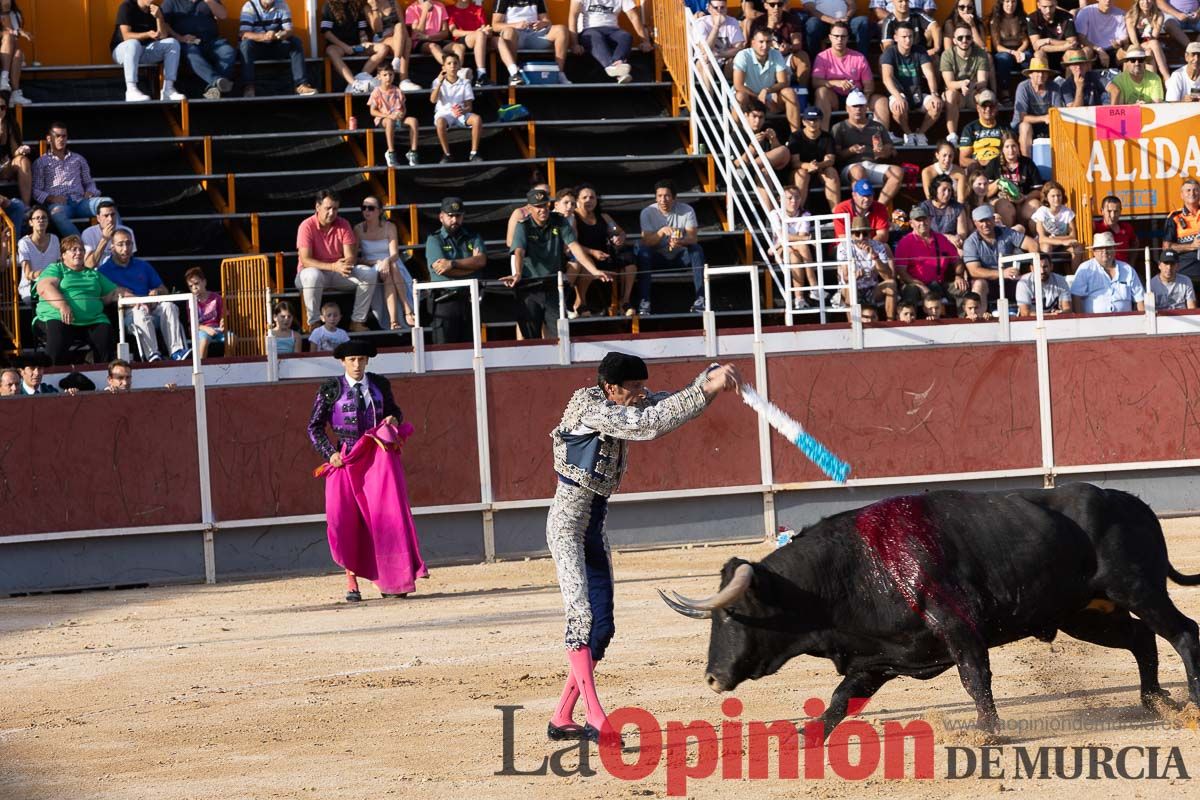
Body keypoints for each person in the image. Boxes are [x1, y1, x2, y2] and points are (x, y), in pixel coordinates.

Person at [544, 353, 741, 742]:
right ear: (611, 388)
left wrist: (709, 379)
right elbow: (650, 424)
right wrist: (707, 385)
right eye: (633, 387)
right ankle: (596, 716)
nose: (641, 393)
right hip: (567, 530)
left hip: (593, 528)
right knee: (581, 619)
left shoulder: (622, 400)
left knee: (602, 625)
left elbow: (666, 405)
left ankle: (562, 715)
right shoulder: (592, 409)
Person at [308, 339, 427, 602]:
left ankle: (390, 579)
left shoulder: (379, 384)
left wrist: (394, 419)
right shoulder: (330, 389)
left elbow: (395, 412)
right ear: (343, 362)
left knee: (385, 517)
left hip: (377, 459)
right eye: (352, 360)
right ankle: (351, 581)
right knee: (345, 520)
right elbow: (314, 427)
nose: (357, 364)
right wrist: (331, 453)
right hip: (347, 458)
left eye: (361, 359)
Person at [503, 187, 609, 337]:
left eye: (545, 205)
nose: (542, 210)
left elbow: (574, 247)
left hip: (553, 284)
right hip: (529, 285)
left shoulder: (560, 221)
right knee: (530, 333)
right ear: (529, 208)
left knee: (559, 334)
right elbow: (518, 251)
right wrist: (518, 273)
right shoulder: (523, 225)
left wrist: (594, 271)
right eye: (538, 206)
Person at [99, 229, 191, 362]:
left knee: (169, 306)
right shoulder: (104, 271)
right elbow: (105, 298)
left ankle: (177, 351)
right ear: (112, 247)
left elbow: (163, 289)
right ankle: (152, 355)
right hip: (128, 312)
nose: (125, 248)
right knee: (140, 311)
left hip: (153, 307)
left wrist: (156, 293)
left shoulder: (143, 265)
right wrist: (134, 300)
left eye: (128, 243)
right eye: (120, 244)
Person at [295, 190, 378, 332]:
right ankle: (314, 324)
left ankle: (357, 321)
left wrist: (347, 264)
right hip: (311, 275)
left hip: (337, 272)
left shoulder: (343, 224)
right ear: (317, 207)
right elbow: (306, 260)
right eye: (328, 208)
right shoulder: (306, 226)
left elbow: (350, 255)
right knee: (312, 275)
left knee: (369, 274)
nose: (332, 212)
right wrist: (334, 266)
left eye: (335, 209)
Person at [34, 235, 122, 365]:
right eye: (73, 250)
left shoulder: (93, 273)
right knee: (57, 340)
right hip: (58, 317)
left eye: (81, 250)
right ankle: (49, 374)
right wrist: (63, 305)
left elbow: (114, 292)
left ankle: (104, 375)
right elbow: (44, 287)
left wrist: (139, 300)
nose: (78, 253)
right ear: (63, 255)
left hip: (92, 319)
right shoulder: (56, 269)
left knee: (105, 335)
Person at [632, 180, 704, 315]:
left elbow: (693, 238)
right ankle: (644, 301)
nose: (663, 200)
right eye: (659, 196)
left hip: (679, 256)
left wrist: (680, 242)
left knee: (696, 249)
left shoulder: (687, 210)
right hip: (657, 257)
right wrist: (661, 232)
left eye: (667, 196)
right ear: (655, 197)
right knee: (643, 252)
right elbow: (646, 241)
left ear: (674, 198)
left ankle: (700, 298)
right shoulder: (647, 212)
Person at [31, 122, 111, 238]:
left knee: (107, 202)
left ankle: (118, 243)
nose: (61, 139)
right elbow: (35, 190)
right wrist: (51, 198)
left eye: (64, 136)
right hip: (59, 204)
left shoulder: (78, 159)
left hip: (81, 201)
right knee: (56, 214)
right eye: (57, 136)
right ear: (49, 139)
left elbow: (89, 182)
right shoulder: (41, 162)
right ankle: (81, 247)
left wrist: (90, 191)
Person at [424, 196, 487, 342]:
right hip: (445, 301)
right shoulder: (434, 240)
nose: (454, 220)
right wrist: (471, 266)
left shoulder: (473, 237)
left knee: (472, 351)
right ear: (441, 217)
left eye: (458, 216)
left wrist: (452, 264)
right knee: (445, 354)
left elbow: (481, 261)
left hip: (469, 301)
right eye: (450, 216)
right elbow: (442, 269)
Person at [831, 90, 903, 206]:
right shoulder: (839, 128)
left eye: (861, 106)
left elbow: (891, 149)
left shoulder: (877, 126)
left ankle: (878, 208)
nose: (858, 109)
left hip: (872, 164)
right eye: (854, 106)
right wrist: (851, 151)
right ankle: (860, 209)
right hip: (850, 168)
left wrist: (883, 152)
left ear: (866, 108)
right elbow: (836, 157)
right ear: (847, 108)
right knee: (858, 171)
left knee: (897, 172)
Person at [573, 184, 634, 316]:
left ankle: (625, 302)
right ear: (577, 200)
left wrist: (619, 238)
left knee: (630, 261)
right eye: (584, 198)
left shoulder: (604, 217)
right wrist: (592, 252)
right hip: (585, 255)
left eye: (592, 197)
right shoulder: (574, 217)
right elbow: (573, 245)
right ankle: (581, 303)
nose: (589, 200)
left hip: (604, 255)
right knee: (587, 263)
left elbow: (619, 232)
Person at [355, 195, 414, 330]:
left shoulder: (390, 227)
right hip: (371, 264)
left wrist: (386, 261)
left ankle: (398, 317)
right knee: (387, 269)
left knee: (391, 267)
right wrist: (377, 262)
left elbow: (394, 254)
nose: (366, 211)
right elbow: (355, 258)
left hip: (392, 263)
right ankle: (406, 312)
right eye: (363, 208)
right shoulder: (358, 229)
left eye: (370, 208)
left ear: (380, 211)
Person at [963, 203, 1038, 308]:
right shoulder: (970, 242)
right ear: (975, 223)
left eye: (988, 220)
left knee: (1030, 280)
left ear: (994, 219)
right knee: (979, 285)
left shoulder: (1007, 232)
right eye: (981, 221)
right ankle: (980, 320)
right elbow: (974, 271)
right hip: (988, 283)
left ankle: (1030, 317)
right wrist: (1002, 273)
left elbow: (1032, 244)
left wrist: (1033, 267)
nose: (985, 224)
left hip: (1010, 279)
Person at [879, 23, 943, 147]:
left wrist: (934, 94)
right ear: (896, 37)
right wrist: (897, 96)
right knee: (898, 107)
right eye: (904, 37)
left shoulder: (919, 51)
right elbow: (887, 78)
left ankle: (920, 134)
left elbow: (929, 74)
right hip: (899, 92)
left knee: (936, 106)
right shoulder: (889, 53)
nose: (908, 40)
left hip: (917, 92)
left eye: (910, 36)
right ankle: (908, 134)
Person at [237, 0, 318, 97]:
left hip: (275, 45)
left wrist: (279, 35)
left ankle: (301, 85)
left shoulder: (282, 4)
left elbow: (289, 30)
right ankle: (249, 87)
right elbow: (244, 33)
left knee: (295, 41)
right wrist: (263, 37)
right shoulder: (249, 6)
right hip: (257, 48)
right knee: (245, 44)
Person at [111, 0, 187, 102]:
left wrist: (159, 17)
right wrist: (147, 34)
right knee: (133, 43)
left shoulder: (156, 9)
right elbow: (126, 36)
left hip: (144, 51)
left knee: (172, 43)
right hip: (122, 51)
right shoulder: (127, 6)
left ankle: (168, 90)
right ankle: (131, 90)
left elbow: (163, 36)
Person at [811, 21, 879, 132]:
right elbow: (815, 82)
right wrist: (836, 82)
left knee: (881, 101)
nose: (839, 40)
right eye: (836, 36)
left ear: (847, 38)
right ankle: (823, 136)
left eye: (843, 36)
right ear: (830, 37)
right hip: (834, 98)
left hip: (856, 97)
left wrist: (864, 98)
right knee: (821, 92)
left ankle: (882, 139)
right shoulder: (822, 57)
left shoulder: (859, 57)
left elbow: (869, 85)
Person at [162, 0, 237, 99]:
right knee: (192, 54)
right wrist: (179, 37)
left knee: (228, 51)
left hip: (211, 41)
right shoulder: (171, 2)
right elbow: (163, 23)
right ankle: (216, 81)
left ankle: (213, 90)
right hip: (187, 42)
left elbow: (223, 15)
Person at [895, 204, 966, 308]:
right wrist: (921, 286)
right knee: (910, 291)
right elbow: (901, 272)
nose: (922, 223)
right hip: (915, 284)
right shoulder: (905, 243)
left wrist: (959, 276)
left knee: (962, 289)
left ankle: (964, 321)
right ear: (911, 223)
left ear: (930, 220)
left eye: (925, 219)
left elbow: (957, 261)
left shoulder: (942, 239)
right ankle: (911, 322)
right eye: (918, 220)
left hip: (939, 284)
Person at [567, 0, 653, 84]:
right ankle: (616, 69)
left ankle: (617, 64)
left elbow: (633, 17)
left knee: (626, 36)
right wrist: (575, 44)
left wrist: (645, 41)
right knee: (595, 37)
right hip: (590, 30)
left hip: (613, 30)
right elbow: (573, 17)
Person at [733, 28, 801, 132]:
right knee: (740, 96)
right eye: (761, 42)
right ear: (753, 42)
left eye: (768, 42)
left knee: (789, 92)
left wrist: (766, 91)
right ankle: (735, 135)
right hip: (749, 97)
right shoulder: (743, 55)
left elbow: (783, 82)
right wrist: (759, 97)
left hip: (768, 96)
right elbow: (738, 86)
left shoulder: (776, 54)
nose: (765, 46)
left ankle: (796, 136)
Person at [492, 0, 571, 84]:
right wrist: (515, 25)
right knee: (509, 32)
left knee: (562, 30)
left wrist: (542, 23)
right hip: (515, 36)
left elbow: (547, 21)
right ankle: (514, 74)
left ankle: (559, 73)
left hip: (534, 35)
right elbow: (495, 25)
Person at [835, 216, 897, 318]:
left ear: (870, 234)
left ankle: (891, 321)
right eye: (857, 234)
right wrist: (855, 277)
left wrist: (874, 256)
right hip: (852, 288)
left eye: (864, 233)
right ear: (852, 235)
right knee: (851, 288)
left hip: (872, 290)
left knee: (892, 284)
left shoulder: (878, 246)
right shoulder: (844, 247)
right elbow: (846, 278)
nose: (861, 237)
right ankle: (853, 326)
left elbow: (888, 277)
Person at [941, 25, 991, 146]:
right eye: (960, 38)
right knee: (950, 94)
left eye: (968, 37)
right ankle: (952, 136)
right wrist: (962, 84)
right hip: (956, 93)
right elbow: (949, 83)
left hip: (973, 91)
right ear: (954, 40)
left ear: (972, 39)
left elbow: (983, 81)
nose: (964, 40)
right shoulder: (947, 55)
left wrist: (970, 85)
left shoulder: (980, 54)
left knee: (987, 95)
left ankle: (988, 131)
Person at [767, 185, 817, 310]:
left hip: (790, 249)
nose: (794, 201)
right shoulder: (775, 214)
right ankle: (814, 287)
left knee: (795, 256)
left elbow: (793, 236)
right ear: (780, 199)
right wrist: (805, 239)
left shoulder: (805, 214)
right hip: (781, 250)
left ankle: (799, 298)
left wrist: (791, 239)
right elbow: (783, 235)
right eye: (789, 198)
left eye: (797, 197)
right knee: (803, 245)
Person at [1071, 231, 1146, 313]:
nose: (1105, 251)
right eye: (1100, 248)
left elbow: (1140, 299)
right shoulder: (1085, 268)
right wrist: (1081, 322)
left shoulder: (1128, 269)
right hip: (1093, 323)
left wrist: (1143, 321)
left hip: (1124, 323)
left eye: (1108, 247)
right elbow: (1076, 297)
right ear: (1094, 251)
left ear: (1114, 249)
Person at [431, 53, 483, 163]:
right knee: (440, 122)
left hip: (460, 113)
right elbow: (433, 100)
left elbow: (469, 106)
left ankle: (474, 153)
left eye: (455, 63)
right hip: (444, 113)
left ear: (459, 66)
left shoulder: (465, 83)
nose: (452, 66)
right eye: (449, 63)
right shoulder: (437, 82)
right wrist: (439, 82)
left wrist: (463, 110)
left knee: (477, 119)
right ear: (443, 67)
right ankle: (447, 154)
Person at [787, 106, 839, 210]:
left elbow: (830, 160)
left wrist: (817, 165)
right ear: (804, 122)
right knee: (802, 173)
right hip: (800, 172)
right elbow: (794, 162)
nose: (812, 123)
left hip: (820, 171)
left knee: (831, 172)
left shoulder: (827, 137)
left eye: (815, 120)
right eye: (809, 120)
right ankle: (798, 213)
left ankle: (837, 215)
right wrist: (809, 166)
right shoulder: (795, 137)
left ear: (820, 121)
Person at [985, 132, 1042, 227]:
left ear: (1018, 147)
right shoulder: (994, 163)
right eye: (1007, 147)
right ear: (1002, 149)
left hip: (1023, 200)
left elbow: (1039, 190)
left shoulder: (1027, 163)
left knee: (1035, 205)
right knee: (1004, 206)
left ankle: (1031, 232)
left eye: (1013, 146)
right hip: (1003, 200)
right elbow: (985, 192)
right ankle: (1009, 235)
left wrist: (1025, 197)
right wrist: (998, 183)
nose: (1011, 150)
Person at [369, 63, 419, 168]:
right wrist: (388, 115)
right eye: (385, 75)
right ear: (379, 77)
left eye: (390, 74)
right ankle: (391, 152)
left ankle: (413, 152)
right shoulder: (376, 92)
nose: (388, 77)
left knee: (413, 120)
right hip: (384, 119)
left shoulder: (398, 91)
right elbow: (373, 111)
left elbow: (403, 107)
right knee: (389, 121)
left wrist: (402, 114)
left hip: (398, 118)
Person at [363, 0, 421, 91]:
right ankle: (403, 78)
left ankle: (397, 64)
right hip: (381, 39)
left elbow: (403, 26)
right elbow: (377, 31)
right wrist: (375, 7)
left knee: (405, 36)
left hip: (398, 36)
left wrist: (404, 39)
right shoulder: (368, 7)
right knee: (400, 29)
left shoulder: (393, 2)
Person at [1031, 179, 1085, 270]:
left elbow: (1073, 236)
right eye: (1053, 196)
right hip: (1046, 244)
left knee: (1078, 247)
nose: (1056, 199)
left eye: (1059, 195)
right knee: (1047, 247)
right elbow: (1042, 238)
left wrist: (1056, 239)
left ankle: (1076, 277)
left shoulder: (1067, 212)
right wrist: (1062, 241)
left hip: (1061, 246)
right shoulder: (1042, 211)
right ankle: (1046, 275)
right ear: (1046, 197)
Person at [321, 0, 371, 94]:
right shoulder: (328, 5)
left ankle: (361, 78)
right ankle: (354, 84)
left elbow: (362, 31)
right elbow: (326, 32)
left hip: (356, 46)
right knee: (331, 51)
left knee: (383, 48)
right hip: (338, 46)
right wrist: (345, 47)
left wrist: (364, 42)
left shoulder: (357, 5)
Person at [1012, 58, 1055, 157]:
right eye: (1037, 72)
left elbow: (1058, 112)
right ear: (1030, 74)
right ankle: (1027, 165)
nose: (1041, 75)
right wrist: (1044, 118)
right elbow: (1023, 117)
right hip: (1023, 127)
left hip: (1047, 127)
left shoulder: (1054, 87)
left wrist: (1050, 118)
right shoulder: (1023, 87)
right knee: (1025, 126)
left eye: (1044, 72)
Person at [989, 0, 1032, 98]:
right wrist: (1012, 52)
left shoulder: (1022, 18)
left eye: (1013, 2)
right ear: (1002, 3)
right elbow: (997, 46)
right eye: (1007, 1)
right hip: (1004, 51)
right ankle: (1005, 92)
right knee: (1003, 59)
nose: (1010, 5)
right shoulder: (995, 20)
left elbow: (1025, 41)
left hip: (1020, 49)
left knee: (1028, 56)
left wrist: (1018, 52)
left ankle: (1027, 90)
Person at [693, 0, 746, 80]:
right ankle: (709, 93)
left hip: (724, 62)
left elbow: (739, 48)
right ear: (709, 9)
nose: (719, 11)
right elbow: (705, 50)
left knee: (738, 60)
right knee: (706, 63)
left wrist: (719, 54)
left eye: (722, 7)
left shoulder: (732, 22)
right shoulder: (701, 23)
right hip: (704, 62)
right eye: (716, 8)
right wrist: (716, 26)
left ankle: (732, 90)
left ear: (726, 8)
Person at [800, 0, 869, 60]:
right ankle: (815, 62)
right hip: (822, 23)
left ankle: (862, 61)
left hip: (844, 22)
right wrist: (832, 20)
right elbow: (810, 9)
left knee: (862, 21)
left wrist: (847, 17)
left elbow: (852, 5)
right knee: (812, 24)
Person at [17, 204, 56, 304]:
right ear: (31, 222)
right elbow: (28, 274)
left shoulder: (54, 239)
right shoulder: (24, 243)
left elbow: (58, 265)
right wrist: (42, 274)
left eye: (44, 218)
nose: (41, 220)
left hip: (53, 283)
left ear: (48, 221)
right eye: (37, 218)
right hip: (31, 287)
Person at [919, 173, 970, 249]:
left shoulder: (957, 208)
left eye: (949, 190)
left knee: (961, 252)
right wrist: (948, 237)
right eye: (944, 190)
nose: (947, 193)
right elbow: (923, 232)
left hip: (951, 244)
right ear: (935, 190)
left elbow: (962, 232)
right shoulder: (924, 207)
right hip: (929, 244)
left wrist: (958, 238)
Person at [185, 267, 227, 358]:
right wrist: (207, 329)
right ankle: (202, 367)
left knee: (232, 339)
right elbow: (193, 324)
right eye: (190, 286)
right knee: (204, 340)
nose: (194, 288)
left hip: (217, 329)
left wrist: (223, 322)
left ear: (204, 282)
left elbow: (223, 314)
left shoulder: (216, 298)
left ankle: (228, 364)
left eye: (196, 283)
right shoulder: (191, 301)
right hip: (200, 330)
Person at [82, 200, 137, 269]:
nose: (110, 219)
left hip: (119, 272)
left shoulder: (127, 232)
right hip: (98, 274)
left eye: (113, 215)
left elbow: (130, 261)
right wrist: (104, 239)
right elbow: (89, 265)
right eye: (106, 216)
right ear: (98, 218)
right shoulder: (88, 233)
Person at [957, 90, 1004, 170]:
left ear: (996, 107)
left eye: (991, 106)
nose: (988, 109)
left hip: (999, 168)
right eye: (984, 106)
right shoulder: (970, 128)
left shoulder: (1004, 128)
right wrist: (984, 162)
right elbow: (963, 160)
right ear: (978, 108)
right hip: (979, 169)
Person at [832, 178, 889, 243]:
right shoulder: (841, 209)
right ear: (854, 195)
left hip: (871, 245)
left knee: (886, 247)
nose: (866, 199)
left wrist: (868, 245)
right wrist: (861, 247)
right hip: (844, 247)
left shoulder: (880, 208)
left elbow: (883, 235)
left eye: (869, 195)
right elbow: (842, 237)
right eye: (863, 195)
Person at [1074, 0, 1127, 69]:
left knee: (1128, 53)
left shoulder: (1121, 14)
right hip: (1093, 48)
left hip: (1113, 49)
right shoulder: (1086, 11)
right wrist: (1099, 49)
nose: (1108, 0)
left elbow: (1124, 37)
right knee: (1086, 52)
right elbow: (1081, 38)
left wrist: (1120, 42)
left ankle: (1127, 79)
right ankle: (1086, 78)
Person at [1165, 178, 1200, 283]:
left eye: (1196, 190)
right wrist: (1191, 246)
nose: (1192, 193)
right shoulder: (1174, 217)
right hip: (1185, 273)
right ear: (1182, 195)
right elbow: (1166, 247)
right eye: (1188, 190)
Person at [1028, 0, 1078, 70]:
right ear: (1038, 5)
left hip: (1064, 54)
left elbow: (1072, 43)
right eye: (1044, 7)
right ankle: (1043, 80)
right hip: (1046, 54)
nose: (1048, 10)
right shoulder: (1032, 18)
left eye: (1051, 6)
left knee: (1071, 53)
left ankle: (1069, 80)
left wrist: (1049, 41)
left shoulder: (1066, 17)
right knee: (1038, 54)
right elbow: (1036, 46)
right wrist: (1063, 47)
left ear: (1056, 4)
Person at [0, 99, 31, 209]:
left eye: (3, 107)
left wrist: (20, 151)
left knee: (23, 160)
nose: (0, 110)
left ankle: (26, 207)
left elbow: (14, 152)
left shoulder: (10, 124)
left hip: (5, 166)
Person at [1094, 194, 1139, 268]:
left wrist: (1131, 263)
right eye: (1109, 211)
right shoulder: (1096, 227)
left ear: (1120, 211)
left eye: (1116, 211)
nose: (1112, 215)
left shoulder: (1127, 227)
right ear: (1102, 211)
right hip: (1101, 271)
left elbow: (1135, 243)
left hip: (1123, 269)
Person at [0, 0, 31, 105]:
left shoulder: (14, 14)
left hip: (9, 50)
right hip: (2, 51)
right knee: (8, 36)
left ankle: (15, 93)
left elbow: (14, 35)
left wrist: (6, 12)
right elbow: (7, 32)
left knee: (18, 54)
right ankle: (4, 79)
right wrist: (4, 12)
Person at [921, 140, 967, 204]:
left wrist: (956, 211)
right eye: (944, 155)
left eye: (950, 156)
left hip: (954, 206)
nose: (947, 159)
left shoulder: (960, 172)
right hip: (934, 206)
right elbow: (929, 196)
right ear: (937, 155)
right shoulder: (927, 172)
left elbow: (960, 199)